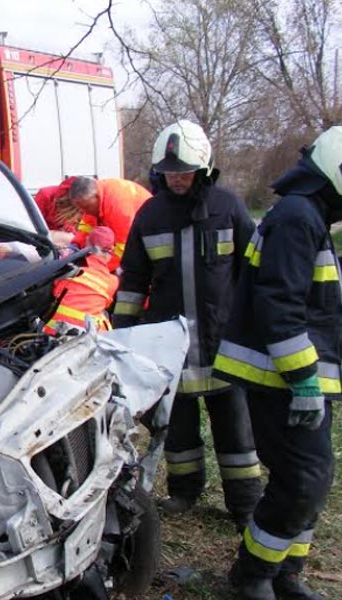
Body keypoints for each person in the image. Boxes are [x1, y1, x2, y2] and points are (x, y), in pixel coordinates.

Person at [214, 126, 342, 600]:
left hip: (296, 379)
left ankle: (286, 572)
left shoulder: (308, 215)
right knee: (301, 478)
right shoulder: (296, 217)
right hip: (281, 380)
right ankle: (252, 574)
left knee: (315, 476)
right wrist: (305, 380)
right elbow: (280, 305)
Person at [114, 120, 262, 528]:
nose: (177, 179)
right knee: (177, 428)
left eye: (185, 171)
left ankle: (245, 503)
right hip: (170, 344)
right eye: (170, 172)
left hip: (224, 343)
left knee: (235, 431)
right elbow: (132, 280)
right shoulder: (150, 214)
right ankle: (184, 492)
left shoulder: (229, 208)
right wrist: (123, 336)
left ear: (204, 168)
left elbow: (254, 270)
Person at [43, 226, 118, 335]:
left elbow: (54, 290)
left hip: (53, 331)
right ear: (110, 252)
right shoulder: (112, 282)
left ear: (87, 244)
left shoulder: (70, 268)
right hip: (85, 338)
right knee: (104, 317)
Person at [68, 175, 152, 270]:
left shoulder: (119, 208)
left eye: (86, 207)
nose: (83, 212)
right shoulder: (94, 198)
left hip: (151, 232)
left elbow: (124, 248)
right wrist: (75, 245)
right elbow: (86, 227)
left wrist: (101, 269)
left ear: (97, 196)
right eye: (80, 208)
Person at [33, 176, 83, 247]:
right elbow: (34, 222)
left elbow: (85, 225)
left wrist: (72, 231)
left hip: (65, 239)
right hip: (44, 236)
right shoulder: (45, 195)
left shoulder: (83, 203)